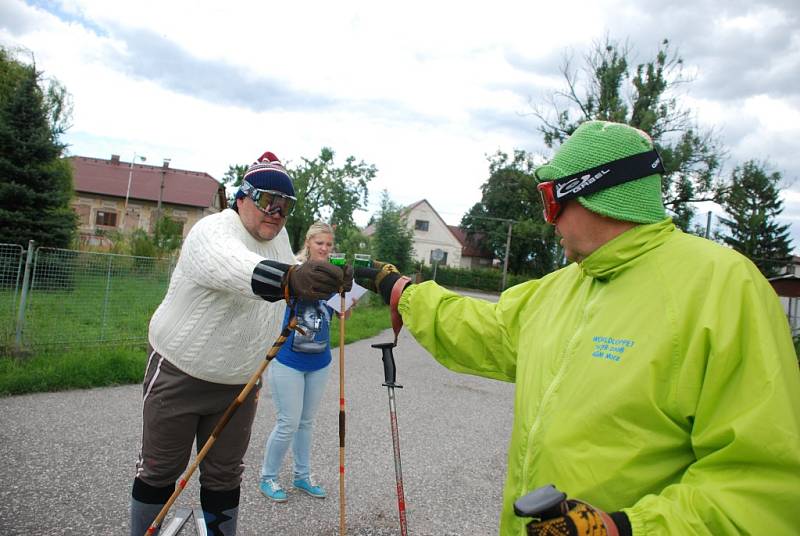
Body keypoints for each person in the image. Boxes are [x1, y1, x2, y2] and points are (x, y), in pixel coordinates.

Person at [356, 121, 800, 535]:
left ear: (596, 195)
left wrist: (623, 528)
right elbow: (485, 328)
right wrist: (398, 289)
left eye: (552, 200)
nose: (550, 222)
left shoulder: (723, 287)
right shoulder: (562, 287)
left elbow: (761, 481)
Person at [129, 152, 352, 536]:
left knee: (225, 475)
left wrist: (336, 281)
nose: (276, 212)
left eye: (286, 206)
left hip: (241, 380)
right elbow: (237, 268)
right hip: (182, 371)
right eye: (267, 200)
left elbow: (294, 280)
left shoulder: (279, 237)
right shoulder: (213, 231)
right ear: (242, 197)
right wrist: (291, 280)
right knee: (161, 468)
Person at [258, 221, 345, 502]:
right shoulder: (294, 269)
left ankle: (302, 475)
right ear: (308, 243)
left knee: (306, 422)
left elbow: (340, 313)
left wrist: (346, 299)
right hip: (290, 359)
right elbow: (278, 295)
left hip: (320, 360)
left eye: (329, 244)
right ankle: (267, 477)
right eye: (320, 243)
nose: (325, 248)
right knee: (288, 422)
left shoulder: (335, 275)